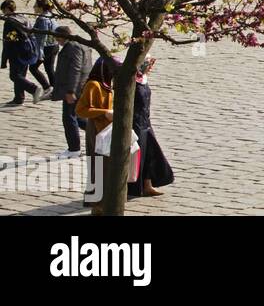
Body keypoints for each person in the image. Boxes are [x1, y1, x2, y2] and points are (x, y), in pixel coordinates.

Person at [75, 57, 117, 212]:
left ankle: (103, 199)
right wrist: (104, 112)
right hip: (96, 129)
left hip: (107, 129)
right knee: (97, 165)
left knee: (106, 166)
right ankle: (95, 203)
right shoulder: (93, 85)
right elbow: (80, 110)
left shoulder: (108, 85)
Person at [127, 55, 173, 198]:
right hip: (135, 123)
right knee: (137, 156)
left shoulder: (143, 79)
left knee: (150, 153)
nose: (151, 68)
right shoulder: (131, 81)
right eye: (149, 65)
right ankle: (133, 188)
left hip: (146, 122)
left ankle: (147, 185)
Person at [50, 26, 94, 155]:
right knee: (78, 116)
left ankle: (74, 148)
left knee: (69, 117)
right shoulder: (81, 44)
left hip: (76, 88)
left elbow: (76, 69)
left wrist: (71, 91)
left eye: (57, 37)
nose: (57, 41)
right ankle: (98, 133)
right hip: (80, 86)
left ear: (63, 36)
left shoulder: (73, 47)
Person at [2, 0, 43, 105]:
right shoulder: (23, 18)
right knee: (20, 75)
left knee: (14, 75)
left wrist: (4, 59)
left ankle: (33, 89)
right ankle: (19, 98)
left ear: (7, 9)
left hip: (16, 52)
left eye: (3, 10)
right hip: (28, 50)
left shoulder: (10, 22)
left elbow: (8, 41)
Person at [26, 0, 56, 97]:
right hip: (54, 45)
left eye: (35, 6)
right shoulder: (51, 16)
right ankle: (54, 90)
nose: (34, 7)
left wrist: (39, 53)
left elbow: (41, 38)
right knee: (49, 68)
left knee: (33, 68)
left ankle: (47, 87)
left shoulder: (42, 19)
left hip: (46, 47)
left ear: (40, 7)